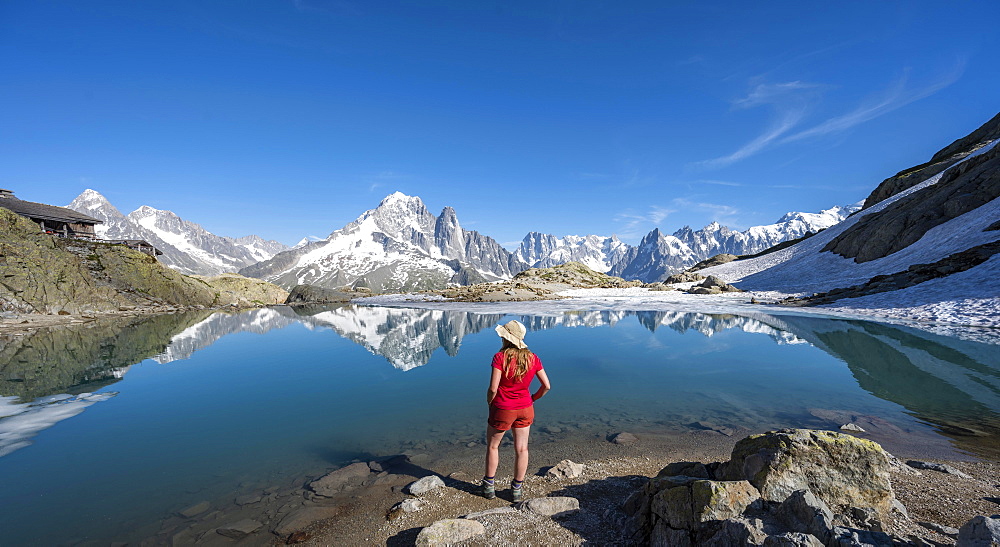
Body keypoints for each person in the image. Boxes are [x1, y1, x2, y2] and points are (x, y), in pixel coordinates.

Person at [481, 319, 551, 502]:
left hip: (503, 408)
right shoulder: (533, 358)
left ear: (506, 338)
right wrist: (532, 399)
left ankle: (489, 487)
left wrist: (490, 402)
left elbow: (493, 388)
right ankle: (517, 490)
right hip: (526, 408)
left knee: (493, 446)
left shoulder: (499, 357)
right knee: (522, 449)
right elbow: (547, 386)